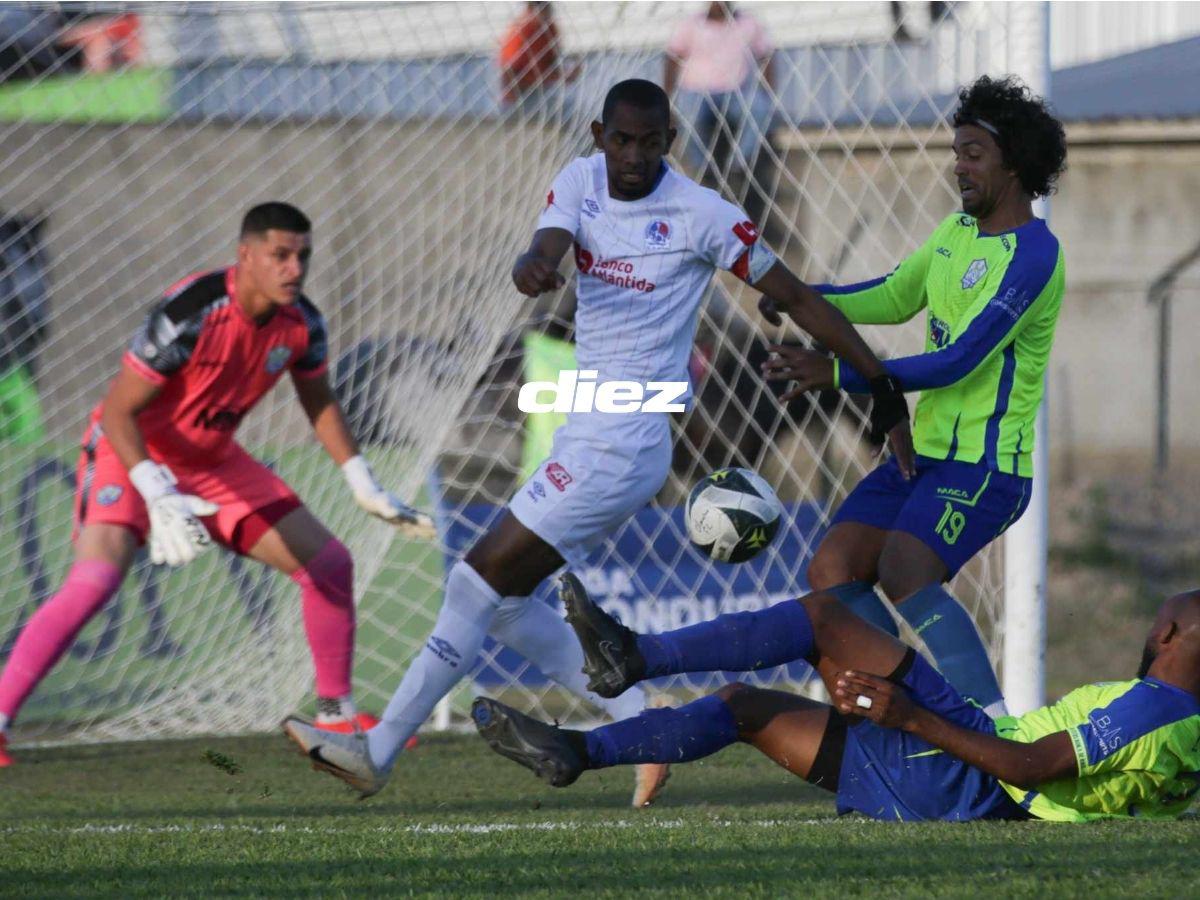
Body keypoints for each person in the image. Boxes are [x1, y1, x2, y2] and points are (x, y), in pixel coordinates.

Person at [282, 78, 913, 805]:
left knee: (474, 580)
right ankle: (641, 725)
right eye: (621, 141)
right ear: (598, 135)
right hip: (586, 431)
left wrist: (877, 385)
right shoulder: (581, 182)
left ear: (670, 142)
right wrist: (533, 264)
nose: (634, 156)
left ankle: (377, 752)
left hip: (626, 442)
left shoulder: (704, 215)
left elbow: (799, 297)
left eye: (649, 143)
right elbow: (548, 243)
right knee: (508, 601)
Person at [0, 202, 435, 766]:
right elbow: (117, 412)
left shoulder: (303, 322)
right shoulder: (192, 311)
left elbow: (318, 398)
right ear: (246, 256)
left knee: (328, 565)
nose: (294, 269)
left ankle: (335, 714)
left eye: (302, 256)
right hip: (129, 451)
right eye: (280, 255)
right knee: (94, 581)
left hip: (213, 462)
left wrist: (362, 480)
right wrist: (156, 491)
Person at [759, 75, 1068, 718]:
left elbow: (960, 360)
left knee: (904, 568)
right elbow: (895, 295)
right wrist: (803, 296)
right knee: (833, 571)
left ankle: (993, 730)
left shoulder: (1036, 257)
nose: (958, 166)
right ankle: (912, 706)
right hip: (916, 456)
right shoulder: (956, 232)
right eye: (956, 152)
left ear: (1013, 163)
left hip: (986, 469)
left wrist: (840, 373)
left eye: (973, 153)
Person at [475, 574, 1200, 823]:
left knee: (824, 616)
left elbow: (1035, 765)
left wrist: (909, 715)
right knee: (743, 709)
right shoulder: (1186, 732)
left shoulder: (1156, 706)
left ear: (1165, 630)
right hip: (950, 790)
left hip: (972, 781)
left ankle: (635, 656)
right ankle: (577, 750)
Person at [664, 1, 774, 213]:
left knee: (760, 108)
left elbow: (766, 54)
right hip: (696, 91)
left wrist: (768, 91)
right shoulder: (690, 25)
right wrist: (667, 100)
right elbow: (672, 58)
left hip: (736, 92)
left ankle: (737, 167)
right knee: (689, 117)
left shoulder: (748, 24)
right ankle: (703, 171)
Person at [498, 2, 580, 115]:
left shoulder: (550, 29)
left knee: (569, 110)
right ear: (530, 9)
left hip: (541, 88)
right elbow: (510, 69)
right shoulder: (522, 30)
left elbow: (552, 63)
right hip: (520, 92)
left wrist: (567, 74)